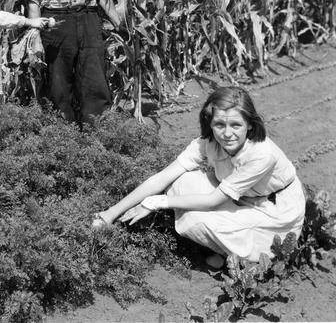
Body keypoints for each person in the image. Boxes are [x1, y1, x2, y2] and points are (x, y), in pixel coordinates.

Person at [92, 86, 306, 268]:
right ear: (210, 123)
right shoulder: (207, 143)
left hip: (274, 209)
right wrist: (109, 214)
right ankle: (225, 246)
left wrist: (156, 202)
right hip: (240, 196)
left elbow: (213, 201)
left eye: (236, 125)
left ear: (250, 124)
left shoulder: (260, 154)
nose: (227, 133)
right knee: (181, 182)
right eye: (219, 125)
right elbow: (163, 177)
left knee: (195, 220)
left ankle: (239, 258)